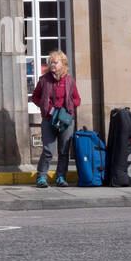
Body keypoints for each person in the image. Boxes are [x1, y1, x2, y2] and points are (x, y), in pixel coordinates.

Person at [31, 50, 80, 187]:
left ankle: (60, 178)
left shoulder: (69, 81)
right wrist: (44, 106)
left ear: (63, 64)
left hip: (65, 120)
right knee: (48, 150)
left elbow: (77, 99)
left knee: (64, 150)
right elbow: (35, 97)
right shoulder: (44, 80)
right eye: (50, 62)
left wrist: (68, 109)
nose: (52, 64)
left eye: (55, 62)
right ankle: (41, 177)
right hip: (48, 119)